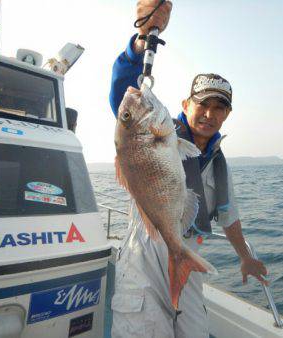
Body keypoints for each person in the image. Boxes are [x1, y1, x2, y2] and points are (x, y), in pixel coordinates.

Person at [109, 1, 268, 337]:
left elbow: (229, 217)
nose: (209, 114)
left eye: (219, 108)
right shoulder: (161, 133)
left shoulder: (219, 164)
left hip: (186, 258)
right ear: (185, 105)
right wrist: (141, 39)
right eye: (202, 105)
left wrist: (245, 257)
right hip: (143, 258)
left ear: (226, 115)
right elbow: (123, 90)